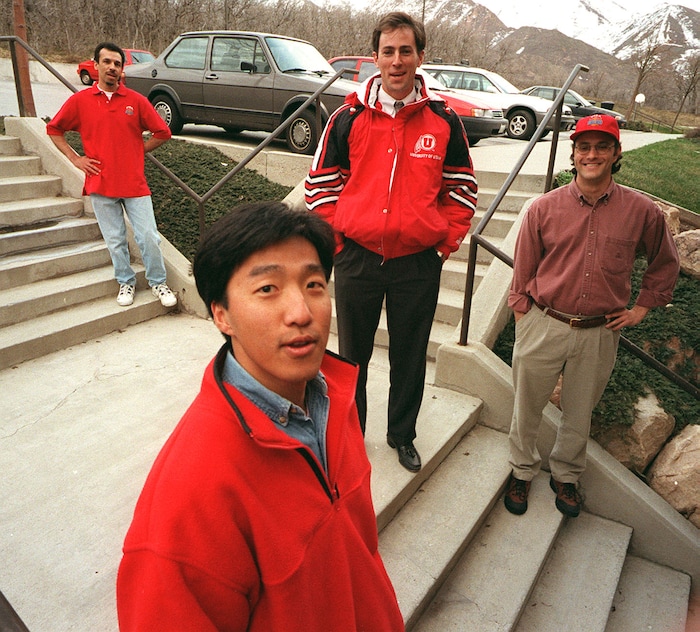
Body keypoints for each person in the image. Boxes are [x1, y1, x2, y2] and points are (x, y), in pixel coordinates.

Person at [116, 201, 405, 631]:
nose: (302, 313)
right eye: (267, 289)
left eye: (313, 284)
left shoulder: (334, 401)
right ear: (221, 314)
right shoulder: (190, 496)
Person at [305, 12, 477, 473]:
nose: (396, 61)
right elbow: (320, 185)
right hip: (357, 257)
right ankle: (350, 434)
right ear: (375, 57)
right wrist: (338, 245)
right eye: (388, 51)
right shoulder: (348, 115)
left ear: (420, 56)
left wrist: (442, 244)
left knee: (409, 354)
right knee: (351, 357)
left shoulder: (443, 121)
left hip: (417, 263)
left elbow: (461, 190)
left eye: (406, 51)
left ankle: (402, 435)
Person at [504, 114, 679, 518]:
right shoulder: (543, 209)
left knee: (580, 412)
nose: (592, 154)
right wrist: (524, 318)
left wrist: (640, 308)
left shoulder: (641, 212)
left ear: (617, 153)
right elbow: (523, 272)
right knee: (526, 407)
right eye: (584, 147)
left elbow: (665, 262)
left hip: (599, 333)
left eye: (602, 146)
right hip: (543, 323)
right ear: (574, 154)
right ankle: (522, 469)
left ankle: (565, 475)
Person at [47, 42, 177, 308]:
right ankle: (125, 282)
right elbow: (54, 129)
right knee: (115, 239)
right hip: (100, 183)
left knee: (149, 236)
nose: (112, 68)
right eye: (106, 62)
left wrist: (139, 148)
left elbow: (163, 132)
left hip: (134, 183)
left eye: (117, 64)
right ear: (95, 65)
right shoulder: (80, 101)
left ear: (121, 69)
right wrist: (75, 159)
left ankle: (158, 282)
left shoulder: (136, 101)